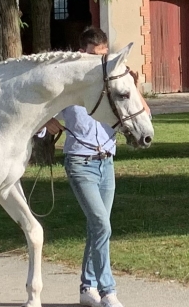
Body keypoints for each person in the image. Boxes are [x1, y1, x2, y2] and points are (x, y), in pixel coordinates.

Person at [39, 29, 127, 307]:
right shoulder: (69, 86)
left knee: (97, 227)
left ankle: (86, 286)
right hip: (80, 162)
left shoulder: (110, 83)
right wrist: (46, 123)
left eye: (101, 56)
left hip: (107, 162)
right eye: (92, 56)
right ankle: (107, 290)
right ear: (82, 53)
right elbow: (37, 114)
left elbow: (136, 109)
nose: (97, 63)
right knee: (101, 224)